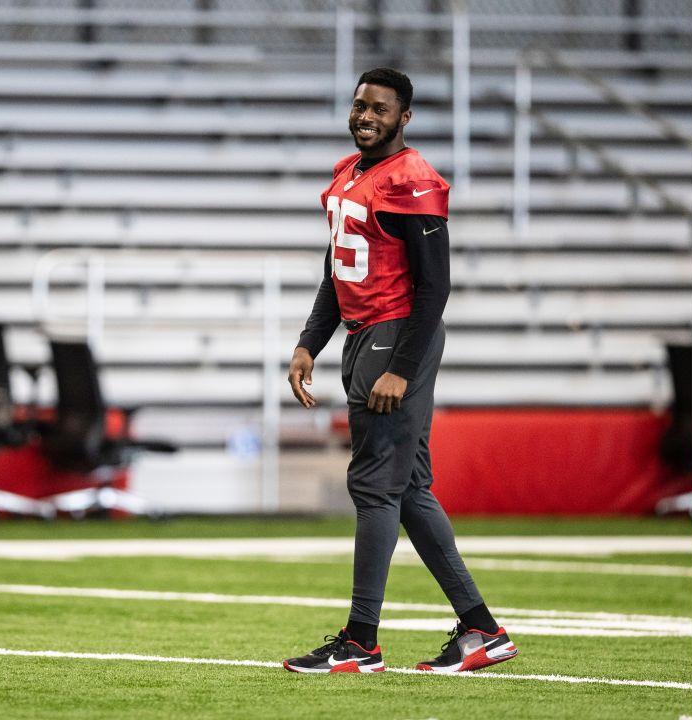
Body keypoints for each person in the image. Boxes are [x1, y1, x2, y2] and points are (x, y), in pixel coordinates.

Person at [281, 68, 518, 674]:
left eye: (379, 109)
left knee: (373, 487)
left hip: (395, 337)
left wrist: (402, 369)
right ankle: (481, 630)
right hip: (364, 336)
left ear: (403, 117)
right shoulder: (348, 172)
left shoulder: (414, 180)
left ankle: (361, 640)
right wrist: (310, 341)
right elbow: (337, 270)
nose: (365, 116)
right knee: (408, 488)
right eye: (359, 105)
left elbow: (436, 284)